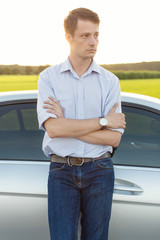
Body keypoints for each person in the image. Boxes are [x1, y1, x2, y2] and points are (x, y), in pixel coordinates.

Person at [37, 7, 126, 240]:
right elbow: (53, 130)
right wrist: (102, 122)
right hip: (61, 171)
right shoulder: (49, 78)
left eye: (96, 35)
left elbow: (113, 138)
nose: (93, 41)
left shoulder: (110, 82)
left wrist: (66, 125)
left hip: (100, 170)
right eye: (85, 35)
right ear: (68, 37)